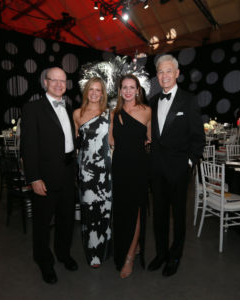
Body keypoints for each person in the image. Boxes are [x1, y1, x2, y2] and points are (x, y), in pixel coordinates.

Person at [148, 54, 205, 276]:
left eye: (168, 71)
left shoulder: (189, 100)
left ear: (177, 73)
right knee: (159, 215)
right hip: (157, 170)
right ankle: (161, 253)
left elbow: (198, 138)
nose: (164, 75)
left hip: (179, 170)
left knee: (179, 216)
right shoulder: (153, 101)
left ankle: (175, 255)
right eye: (160, 72)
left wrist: (188, 163)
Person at [21, 67, 78, 284]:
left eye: (62, 81)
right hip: (44, 177)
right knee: (43, 223)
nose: (58, 84)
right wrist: (34, 178)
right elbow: (29, 146)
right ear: (45, 82)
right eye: (54, 80)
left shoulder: (69, 106)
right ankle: (44, 261)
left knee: (66, 219)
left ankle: (63, 254)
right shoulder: (32, 108)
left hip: (67, 172)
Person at [110, 74, 151, 278]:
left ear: (138, 90)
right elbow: (110, 140)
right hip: (119, 168)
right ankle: (126, 248)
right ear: (120, 91)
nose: (127, 90)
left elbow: (151, 138)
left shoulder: (146, 111)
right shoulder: (113, 113)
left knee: (135, 212)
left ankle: (130, 257)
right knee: (121, 212)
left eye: (131, 87)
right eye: (124, 87)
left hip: (138, 169)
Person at [73, 77, 112, 268]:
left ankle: (106, 250)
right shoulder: (77, 114)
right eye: (91, 89)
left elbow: (114, 142)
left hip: (106, 169)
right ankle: (93, 253)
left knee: (105, 211)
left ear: (103, 93)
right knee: (89, 212)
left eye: (99, 90)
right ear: (86, 91)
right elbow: (75, 144)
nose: (95, 93)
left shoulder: (109, 114)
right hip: (86, 170)